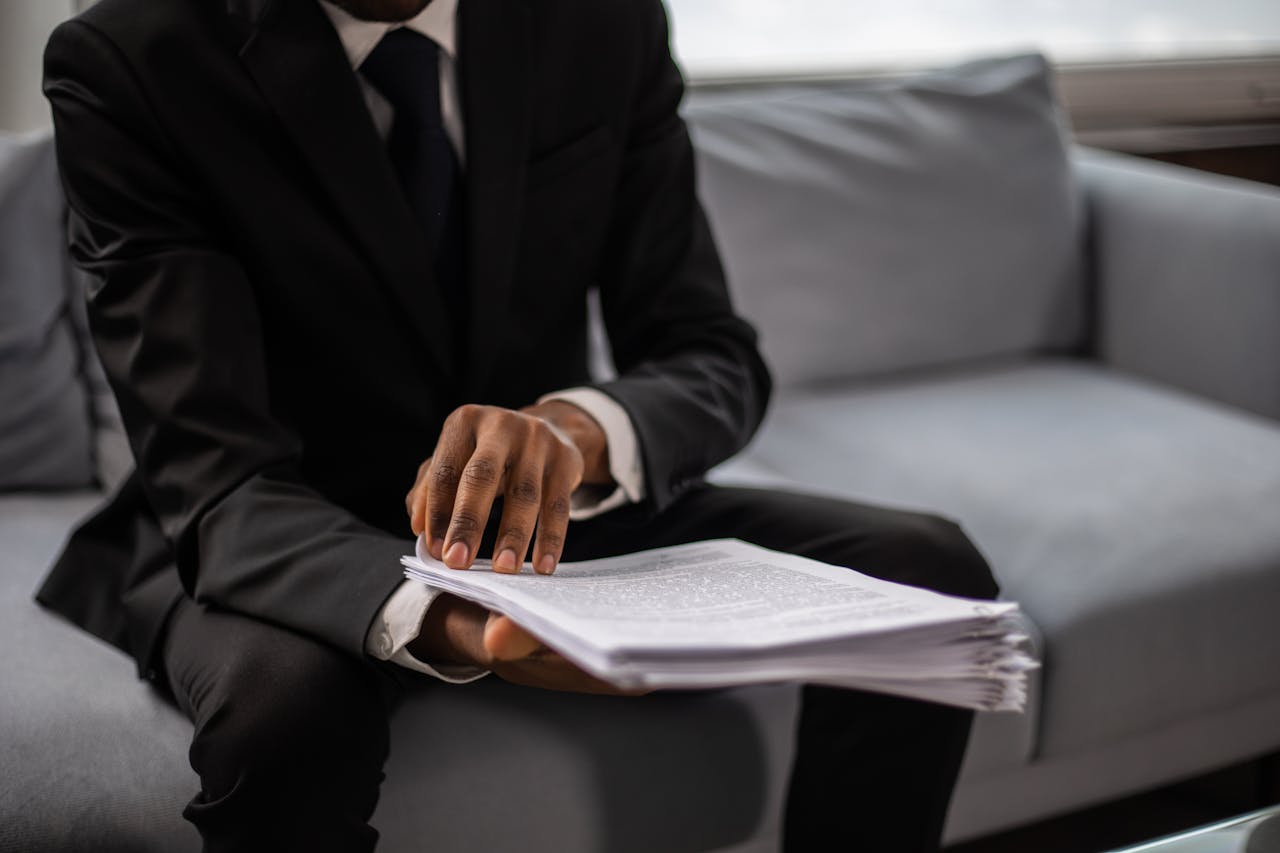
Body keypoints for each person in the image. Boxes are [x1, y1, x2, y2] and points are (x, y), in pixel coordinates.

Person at [37, 0, 999, 849]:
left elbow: (713, 355)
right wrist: (467, 625)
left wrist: (573, 432)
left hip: (543, 518)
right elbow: (220, 475)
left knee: (925, 570)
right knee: (286, 719)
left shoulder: (600, 20)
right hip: (271, 528)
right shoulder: (133, 58)